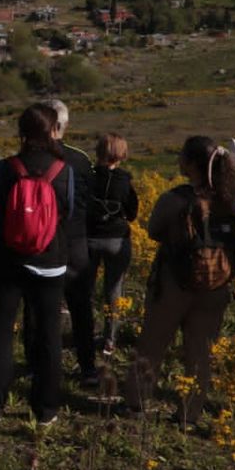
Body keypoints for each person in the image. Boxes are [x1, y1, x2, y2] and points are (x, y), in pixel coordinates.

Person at [124, 136, 235, 424]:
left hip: (174, 281)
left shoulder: (174, 199)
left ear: (190, 164)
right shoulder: (228, 198)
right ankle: (190, 412)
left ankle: (136, 403)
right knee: (200, 350)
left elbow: (153, 230)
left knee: (153, 342)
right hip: (217, 284)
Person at [0, 104, 74, 424]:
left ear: (21, 132)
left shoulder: (8, 167)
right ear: (52, 131)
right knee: (49, 335)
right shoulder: (63, 169)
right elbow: (68, 212)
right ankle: (46, 409)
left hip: (10, 259)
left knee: (2, 332)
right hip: (51, 260)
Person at [45, 99, 99, 388]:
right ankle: (88, 366)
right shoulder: (80, 159)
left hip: (44, 241)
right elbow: (89, 201)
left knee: (41, 306)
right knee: (81, 307)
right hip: (77, 240)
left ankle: (38, 362)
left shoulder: (37, 156)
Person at [85, 133, 139, 356]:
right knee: (113, 290)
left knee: (84, 290)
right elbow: (133, 213)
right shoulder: (125, 179)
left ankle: (84, 333)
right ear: (121, 154)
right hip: (117, 240)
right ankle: (110, 340)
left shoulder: (87, 176)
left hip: (89, 239)